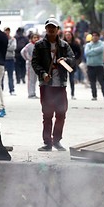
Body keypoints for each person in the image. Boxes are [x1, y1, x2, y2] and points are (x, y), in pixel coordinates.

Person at [31, 18, 76, 151]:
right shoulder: (39, 45)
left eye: (54, 27)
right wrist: (43, 74)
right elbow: (35, 62)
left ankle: (57, 140)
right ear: (46, 29)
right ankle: (47, 143)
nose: (51, 30)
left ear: (57, 30)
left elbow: (73, 60)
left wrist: (65, 59)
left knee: (61, 114)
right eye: (49, 27)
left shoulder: (64, 45)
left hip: (60, 85)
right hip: (46, 86)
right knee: (47, 114)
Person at [84, 31, 104, 101]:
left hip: (99, 65)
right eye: (93, 35)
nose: (94, 37)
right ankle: (94, 96)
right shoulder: (88, 45)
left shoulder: (102, 44)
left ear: (98, 36)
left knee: (102, 81)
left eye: (96, 35)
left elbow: (100, 50)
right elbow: (87, 53)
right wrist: (94, 51)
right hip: (90, 66)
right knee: (92, 82)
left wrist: (92, 51)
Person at [63, 31, 81, 100]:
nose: (68, 36)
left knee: (72, 80)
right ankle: (62, 94)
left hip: (72, 64)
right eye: (66, 35)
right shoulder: (62, 44)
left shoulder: (75, 44)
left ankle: (72, 94)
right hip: (63, 63)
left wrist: (74, 59)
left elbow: (79, 53)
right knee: (63, 80)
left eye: (69, 35)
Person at [21, 33, 40, 98]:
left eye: (37, 37)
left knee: (34, 79)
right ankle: (30, 93)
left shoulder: (39, 45)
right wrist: (29, 59)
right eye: (34, 38)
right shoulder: (29, 46)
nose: (36, 39)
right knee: (31, 79)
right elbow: (23, 52)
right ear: (31, 39)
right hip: (30, 65)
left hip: (37, 65)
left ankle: (33, 93)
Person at [4, 27, 16, 95]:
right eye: (6, 30)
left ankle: (12, 89)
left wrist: (6, 47)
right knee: (1, 76)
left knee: (10, 75)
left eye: (8, 30)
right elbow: (1, 47)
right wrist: (8, 47)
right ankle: (1, 88)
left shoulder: (13, 39)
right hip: (3, 59)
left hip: (10, 59)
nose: (7, 32)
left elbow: (13, 47)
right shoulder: (2, 39)